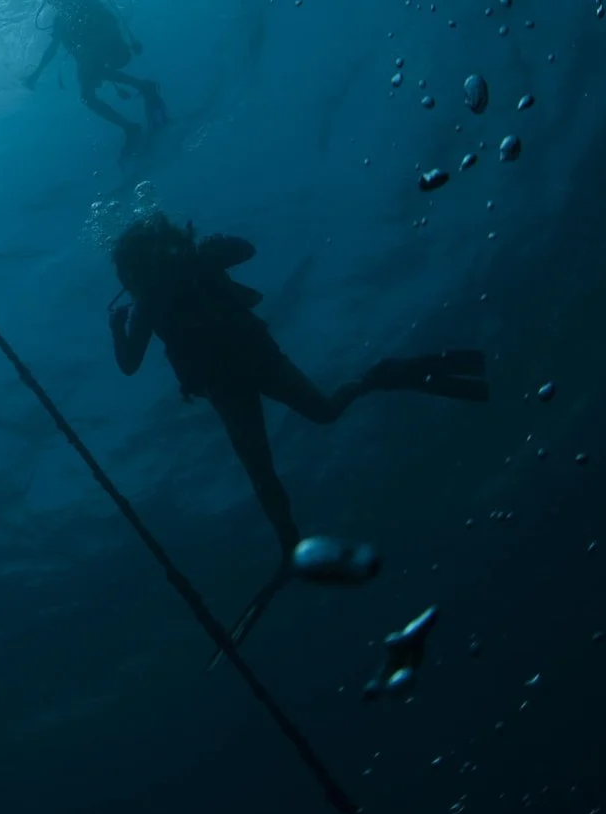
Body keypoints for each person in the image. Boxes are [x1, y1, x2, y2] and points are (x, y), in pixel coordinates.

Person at [107, 214, 488, 567]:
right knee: (302, 432)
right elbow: (245, 249)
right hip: (246, 370)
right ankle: (290, 541)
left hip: (241, 374)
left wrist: (117, 327)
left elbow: (128, 364)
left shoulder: (158, 295)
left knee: (277, 455)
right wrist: (198, 252)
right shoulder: (165, 289)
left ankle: (290, 545)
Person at [25, 0, 167, 157]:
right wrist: (35, 74)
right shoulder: (61, 22)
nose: (59, 3)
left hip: (111, 43)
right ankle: (129, 125)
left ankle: (143, 89)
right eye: (55, 2)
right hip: (98, 53)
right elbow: (52, 50)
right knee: (87, 96)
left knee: (91, 65)